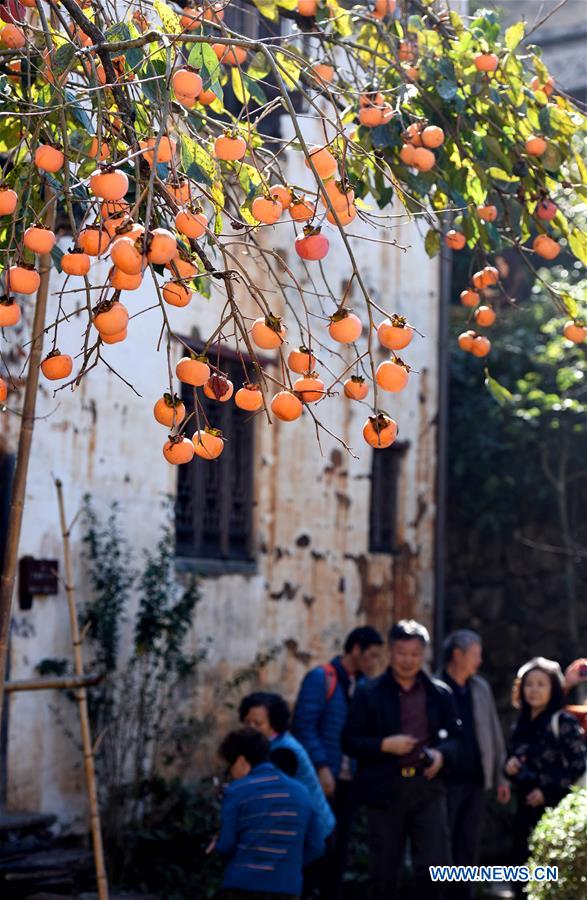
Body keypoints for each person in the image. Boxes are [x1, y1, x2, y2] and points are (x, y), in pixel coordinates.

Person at [342, 620, 461, 900]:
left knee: (434, 869)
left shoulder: (439, 693)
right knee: (383, 872)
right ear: (391, 653)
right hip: (385, 790)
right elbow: (348, 741)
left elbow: (458, 740)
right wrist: (385, 745)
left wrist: (440, 755)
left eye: (414, 654)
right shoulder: (368, 692)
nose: (408, 660)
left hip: (427, 789)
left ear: (424, 655)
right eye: (401, 653)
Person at [291, 625, 384, 896]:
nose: (375, 662)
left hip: (350, 782)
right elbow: (304, 726)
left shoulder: (366, 686)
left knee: (340, 850)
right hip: (319, 780)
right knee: (314, 846)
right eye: (372, 655)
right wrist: (321, 768)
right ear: (356, 650)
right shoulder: (322, 678)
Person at [215, 727, 324, 900]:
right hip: (288, 889)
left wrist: (218, 843)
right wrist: (287, 864)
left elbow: (226, 846)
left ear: (242, 761)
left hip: (242, 887)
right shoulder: (301, 792)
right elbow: (317, 845)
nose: (231, 775)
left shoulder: (237, 790)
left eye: (230, 767)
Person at [441, 630, 510, 899]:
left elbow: (493, 732)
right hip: (444, 782)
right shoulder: (436, 686)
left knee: (468, 847)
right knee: (441, 846)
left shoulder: (480, 688)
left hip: (476, 780)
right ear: (457, 655)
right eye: (476, 655)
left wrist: (501, 777)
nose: (479, 661)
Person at [505, 657, 586, 873]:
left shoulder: (563, 722)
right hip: (525, 809)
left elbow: (578, 764)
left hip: (557, 812)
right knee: (521, 871)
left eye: (541, 684)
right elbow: (513, 758)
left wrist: (545, 791)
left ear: (553, 688)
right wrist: (510, 767)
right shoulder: (520, 724)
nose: (534, 690)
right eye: (529, 684)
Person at [239, 691, 336, 851]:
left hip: (314, 837)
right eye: (247, 722)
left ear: (274, 724)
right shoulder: (268, 745)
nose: (251, 729)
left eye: (258, 724)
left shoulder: (284, 751)